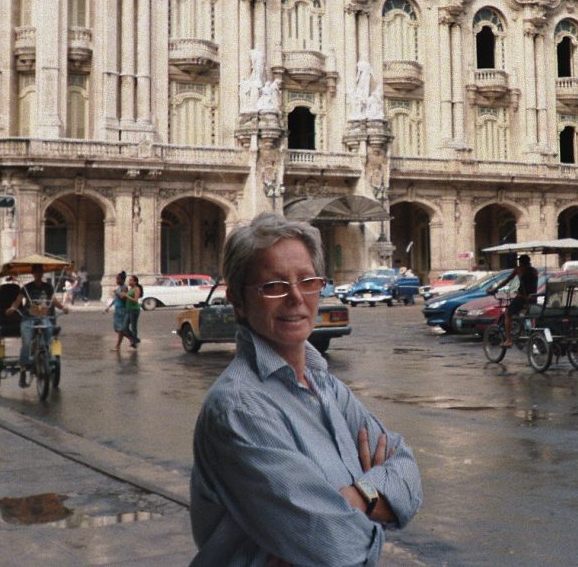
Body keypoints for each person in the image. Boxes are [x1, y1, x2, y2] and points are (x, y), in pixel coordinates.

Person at [190, 212, 422, 565]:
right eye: (274, 285)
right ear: (237, 300)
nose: (296, 297)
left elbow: (407, 473)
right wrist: (377, 507)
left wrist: (359, 497)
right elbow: (336, 546)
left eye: (308, 280)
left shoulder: (325, 385)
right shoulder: (239, 408)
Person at [11, 264, 69, 387]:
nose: (38, 274)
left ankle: (44, 353)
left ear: (42, 274)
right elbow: (17, 301)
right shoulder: (27, 287)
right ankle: (22, 372)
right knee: (26, 343)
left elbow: (54, 301)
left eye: (40, 272)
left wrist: (63, 307)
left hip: (44, 317)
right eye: (36, 272)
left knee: (49, 331)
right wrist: (12, 308)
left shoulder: (48, 287)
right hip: (28, 318)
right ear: (33, 273)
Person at [488, 254, 538, 347]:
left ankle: (508, 340)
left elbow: (506, 281)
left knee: (508, 313)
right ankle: (533, 332)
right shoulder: (535, 271)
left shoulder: (519, 269)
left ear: (520, 262)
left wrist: (495, 289)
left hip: (522, 298)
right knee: (531, 316)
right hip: (533, 298)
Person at [110, 271, 130, 350]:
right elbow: (116, 299)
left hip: (122, 310)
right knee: (118, 329)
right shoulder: (119, 287)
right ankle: (119, 345)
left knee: (120, 329)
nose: (116, 281)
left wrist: (117, 292)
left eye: (118, 279)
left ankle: (131, 340)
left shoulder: (124, 287)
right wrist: (109, 306)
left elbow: (123, 297)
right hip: (117, 310)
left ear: (122, 280)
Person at [123, 274, 143, 349]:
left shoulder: (137, 289)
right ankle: (135, 339)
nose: (129, 281)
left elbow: (135, 300)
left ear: (135, 282)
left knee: (134, 327)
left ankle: (134, 342)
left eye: (131, 280)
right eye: (129, 280)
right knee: (124, 327)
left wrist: (127, 296)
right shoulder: (130, 289)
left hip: (134, 310)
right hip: (128, 310)